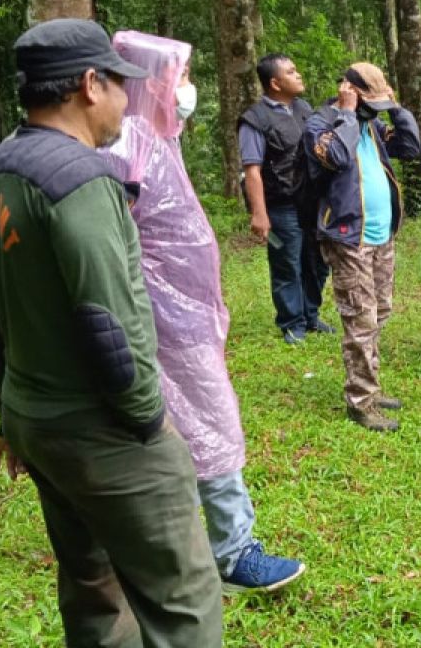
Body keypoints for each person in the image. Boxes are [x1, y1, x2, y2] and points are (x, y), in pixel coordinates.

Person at [0, 18, 223, 646]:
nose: (124, 101)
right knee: (182, 597)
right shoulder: (82, 180)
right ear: (88, 85)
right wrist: (147, 421)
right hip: (102, 428)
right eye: (118, 86)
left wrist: (8, 410)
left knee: (91, 586)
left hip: (38, 422)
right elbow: (108, 317)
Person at [105, 30, 304, 592]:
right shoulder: (128, 144)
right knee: (209, 425)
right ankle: (233, 552)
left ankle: (183, 547)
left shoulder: (158, 137)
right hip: (163, 319)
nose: (187, 88)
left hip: (185, 313)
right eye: (182, 77)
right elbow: (113, 239)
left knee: (190, 425)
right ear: (153, 80)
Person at [302, 63, 421, 432]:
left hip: (381, 236)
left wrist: (394, 107)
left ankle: (370, 385)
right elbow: (335, 156)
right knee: (360, 318)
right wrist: (348, 114)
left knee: (379, 311)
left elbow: (410, 146)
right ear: (347, 91)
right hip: (348, 237)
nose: (377, 111)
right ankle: (360, 401)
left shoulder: (373, 124)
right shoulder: (320, 124)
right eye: (371, 102)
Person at [240, 54, 332, 344]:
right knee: (287, 263)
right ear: (275, 82)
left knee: (318, 261)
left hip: (312, 202)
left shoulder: (304, 109)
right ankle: (292, 323)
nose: (299, 75)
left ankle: (311, 314)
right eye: (292, 72)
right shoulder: (255, 119)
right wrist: (259, 213)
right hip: (280, 205)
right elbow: (252, 170)